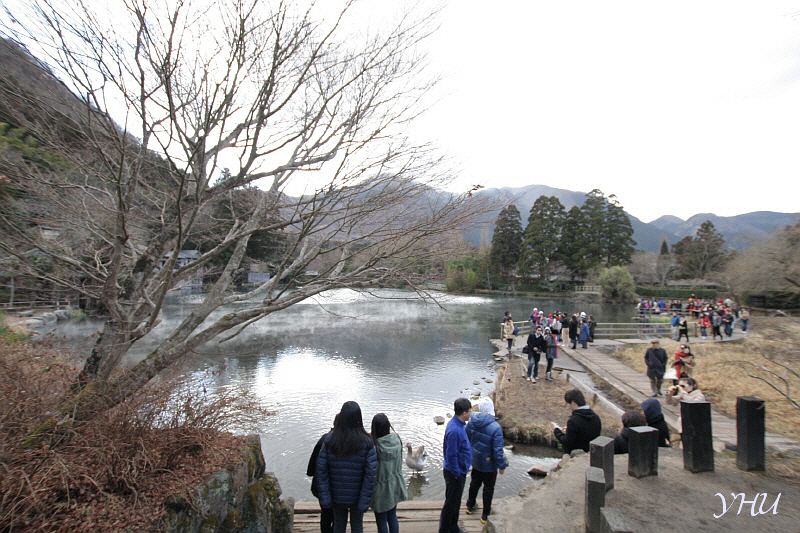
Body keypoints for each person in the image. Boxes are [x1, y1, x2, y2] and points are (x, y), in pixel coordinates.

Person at [317, 401, 377, 533]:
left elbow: (321, 472)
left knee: (338, 526)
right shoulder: (367, 442)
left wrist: (325, 498)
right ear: (359, 418)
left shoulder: (330, 440)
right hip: (357, 496)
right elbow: (370, 475)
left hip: (336, 496)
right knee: (357, 526)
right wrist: (364, 500)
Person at [465, 397, 507, 525]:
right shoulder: (495, 427)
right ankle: (485, 515)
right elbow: (498, 451)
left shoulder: (471, 422)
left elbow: (467, 440)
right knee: (488, 489)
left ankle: (470, 506)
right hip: (490, 465)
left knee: (474, 483)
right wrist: (501, 466)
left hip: (476, 461)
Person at [439, 398, 472, 533]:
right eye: (469, 411)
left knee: (455, 502)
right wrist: (457, 473)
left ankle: (453, 527)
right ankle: (445, 529)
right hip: (454, 473)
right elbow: (451, 454)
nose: (470, 413)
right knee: (451, 503)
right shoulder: (455, 430)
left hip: (458, 471)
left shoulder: (458, 424)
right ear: (464, 413)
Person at [370, 413, 407, 533]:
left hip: (380, 490)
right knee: (392, 516)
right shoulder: (396, 439)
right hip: (394, 485)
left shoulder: (375, 446)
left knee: (381, 520)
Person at [307, 416, 338, 533]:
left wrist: (310, 472)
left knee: (325, 513)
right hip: (337, 486)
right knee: (337, 515)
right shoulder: (345, 441)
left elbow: (314, 458)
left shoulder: (324, 439)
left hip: (321, 484)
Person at [552, 389, 602, 453]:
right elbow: (586, 431)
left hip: (577, 454)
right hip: (592, 453)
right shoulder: (596, 417)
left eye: (568, 404)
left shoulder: (573, 421)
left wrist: (556, 430)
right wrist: (569, 430)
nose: (569, 407)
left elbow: (567, 442)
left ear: (573, 403)